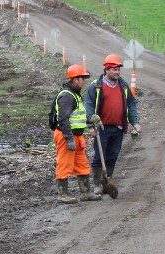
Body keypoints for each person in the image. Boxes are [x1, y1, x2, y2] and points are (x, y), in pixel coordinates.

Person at [84, 53, 141, 195]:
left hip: (118, 128)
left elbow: (131, 104)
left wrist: (135, 122)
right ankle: (97, 184)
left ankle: (107, 182)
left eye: (118, 69)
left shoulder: (123, 86)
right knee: (98, 156)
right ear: (107, 70)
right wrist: (91, 126)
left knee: (113, 155)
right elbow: (89, 107)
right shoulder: (96, 87)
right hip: (101, 128)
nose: (117, 72)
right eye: (114, 69)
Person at [52, 64, 101, 203]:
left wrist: (90, 120)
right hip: (66, 136)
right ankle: (63, 194)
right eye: (82, 78)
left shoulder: (74, 94)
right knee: (64, 164)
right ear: (74, 79)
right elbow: (63, 118)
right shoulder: (67, 96)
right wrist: (69, 139)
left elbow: (76, 117)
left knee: (82, 164)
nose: (84, 81)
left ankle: (85, 193)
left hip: (76, 136)